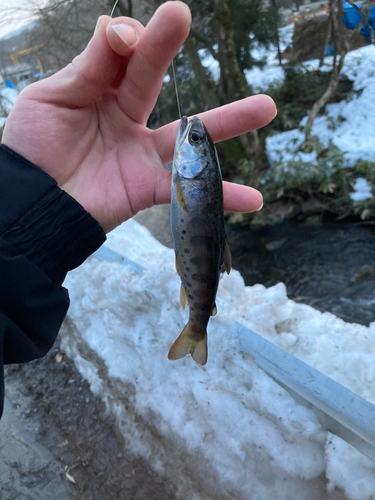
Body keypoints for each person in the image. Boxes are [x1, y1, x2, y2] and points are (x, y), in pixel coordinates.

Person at [0, 1, 276, 419]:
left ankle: (195, 326)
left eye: (197, 144)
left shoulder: (186, 176)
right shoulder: (186, 173)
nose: (192, 136)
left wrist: (22, 201)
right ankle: (196, 327)